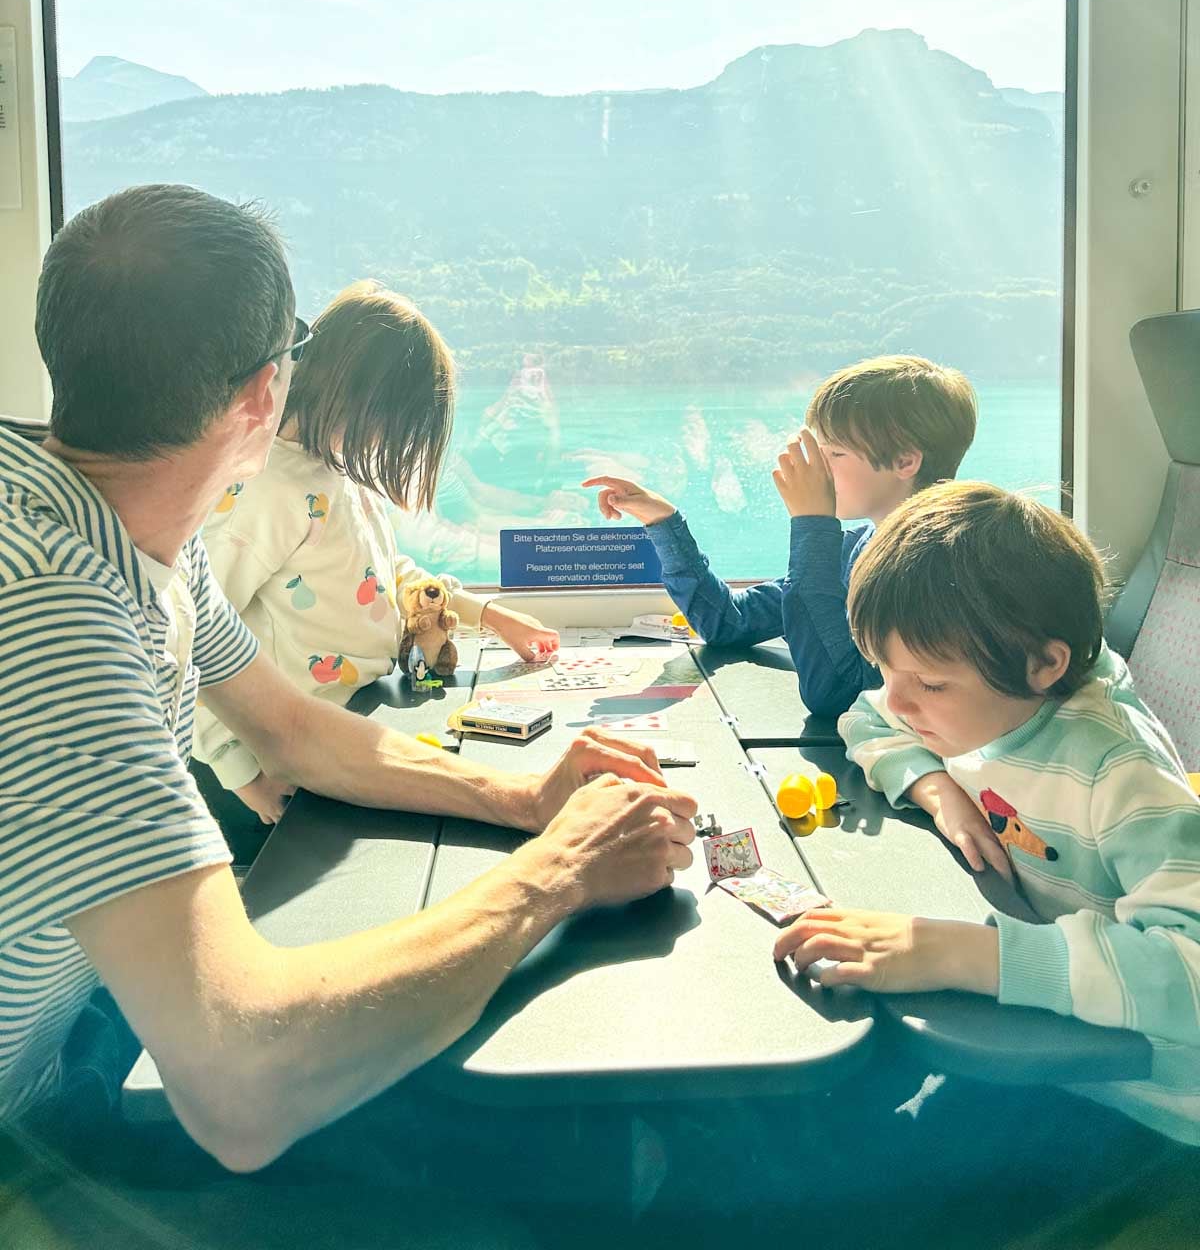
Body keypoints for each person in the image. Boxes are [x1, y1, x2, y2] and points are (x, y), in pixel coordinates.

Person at [0, 183, 696, 1172]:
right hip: (28, 1130)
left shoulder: (131, 527)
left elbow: (295, 729)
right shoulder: (52, 616)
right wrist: (559, 871)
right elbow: (242, 1083)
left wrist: (527, 793)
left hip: (73, 1040)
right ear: (262, 395)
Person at [777, 481, 1200, 1150]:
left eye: (930, 684)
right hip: (1036, 1034)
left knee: (880, 1177)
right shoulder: (979, 704)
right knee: (831, 1116)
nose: (902, 701)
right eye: (889, 671)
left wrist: (963, 953)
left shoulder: (1121, 777)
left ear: (1043, 664)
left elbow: (1191, 973)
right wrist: (936, 787)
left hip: (1137, 1099)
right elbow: (868, 718)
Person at [196, 280, 560, 824]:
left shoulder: (339, 472)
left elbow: (385, 572)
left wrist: (490, 615)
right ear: (356, 396)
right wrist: (243, 777)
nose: (385, 445)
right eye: (390, 426)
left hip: (342, 726)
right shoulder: (265, 489)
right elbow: (193, 638)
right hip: (273, 764)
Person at [584, 355, 977, 718]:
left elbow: (835, 695)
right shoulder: (856, 548)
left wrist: (813, 523)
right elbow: (728, 622)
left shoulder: (937, 565)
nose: (818, 469)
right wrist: (664, 522)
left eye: (835, 455)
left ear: (904, 461)